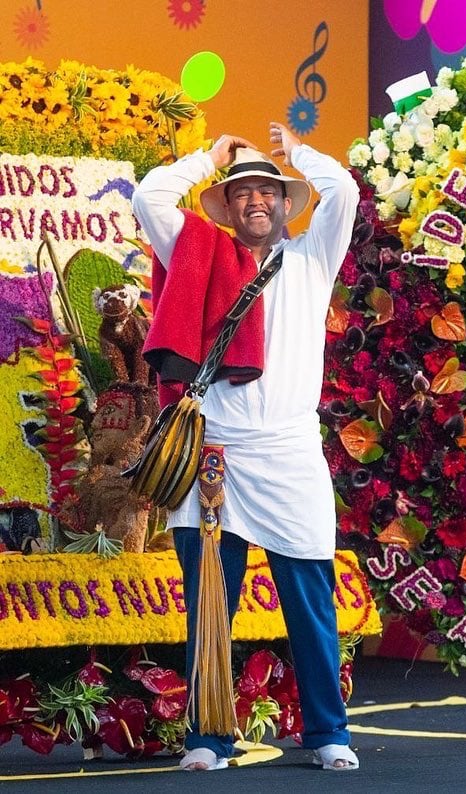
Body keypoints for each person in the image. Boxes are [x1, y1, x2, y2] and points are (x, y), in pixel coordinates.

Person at [132, 121, 360, 771]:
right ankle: (208, 740)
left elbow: (340, 190)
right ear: (227, 207)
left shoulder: (314, 257)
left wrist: (296, 153)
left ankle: (326, 733)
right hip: (216, 454)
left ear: (288, 203)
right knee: (210, 606)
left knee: (311, 601)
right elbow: (150, 198)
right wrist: (211, 156)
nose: (256, 200)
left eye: (268, 191)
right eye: (242, 193)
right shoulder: (199, 252)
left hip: (289, 451)